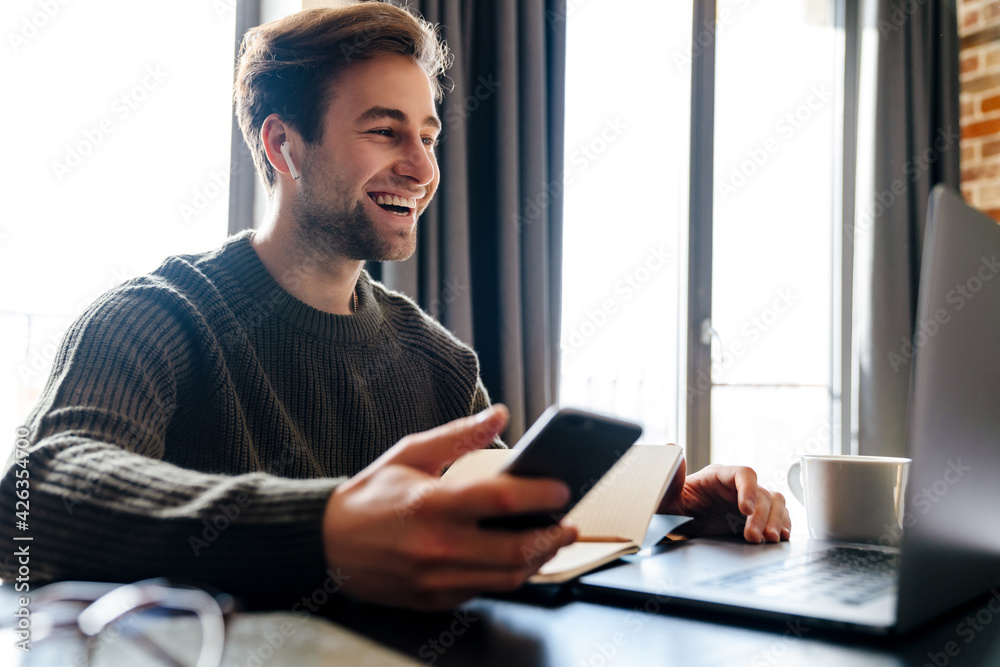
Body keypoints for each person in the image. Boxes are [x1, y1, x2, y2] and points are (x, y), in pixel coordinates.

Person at [0, 3, 789, 612]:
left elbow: (500, 521)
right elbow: (41, 493)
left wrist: (667, 509)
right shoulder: (153, 318)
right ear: (283, 145)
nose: (419, 167)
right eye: (385, 132)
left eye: (428, 135)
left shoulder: (441, 365)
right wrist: (328, 528)